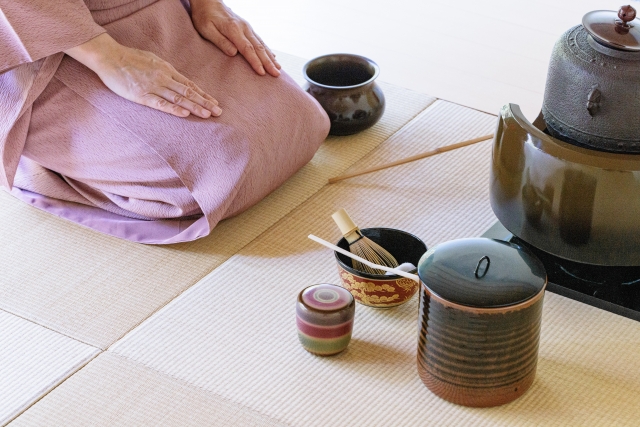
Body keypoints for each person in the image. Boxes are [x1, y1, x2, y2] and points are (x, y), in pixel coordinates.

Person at [0, 0, 330, 243]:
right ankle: (41, 162)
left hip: (158, 10)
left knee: (302, 118)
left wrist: (207, 5)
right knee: (215, 170)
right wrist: (111, 59)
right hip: (54, 41)